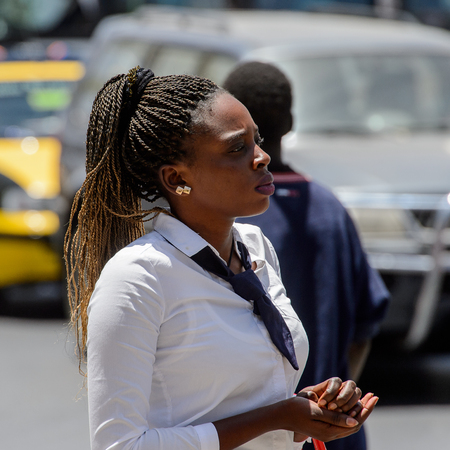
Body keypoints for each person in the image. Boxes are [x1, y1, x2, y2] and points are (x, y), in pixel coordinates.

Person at [64, 67, 379, 450]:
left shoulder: (256, 248)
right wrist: (278, 416)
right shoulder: (138, 277)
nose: (262, 157)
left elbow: (244, 405)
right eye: (237, 148)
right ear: (176, 177)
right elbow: (120, 445)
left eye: (257, 140)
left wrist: (307, 412)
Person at [223, 61, 390, 450]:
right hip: (336, 427)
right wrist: (336, 395)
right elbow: (365, 324)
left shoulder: (227, 221)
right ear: (291, 121)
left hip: (260, 435)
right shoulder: (330, 211)